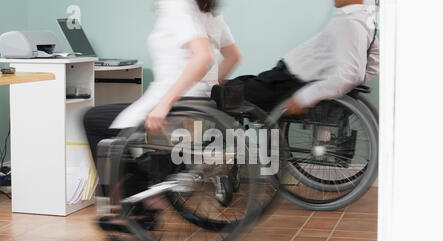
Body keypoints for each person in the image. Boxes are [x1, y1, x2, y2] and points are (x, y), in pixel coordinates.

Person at [84, 0, 241, 161]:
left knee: (92, 119)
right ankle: (135, 178)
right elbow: (232, 58)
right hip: (199, 106)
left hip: (173, 107)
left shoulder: (176, 4)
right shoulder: (210, 13)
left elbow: (203, 56)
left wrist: (164, 104)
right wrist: (204, 87)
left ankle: (128, 184)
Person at [229, 0, 379, 116]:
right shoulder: (365, 22)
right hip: (286, 79)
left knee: (223, 94)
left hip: (285, 81)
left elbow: (350, 75)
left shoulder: (349, 22)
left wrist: (305, 97)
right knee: (238, 84)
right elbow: (375, 61)